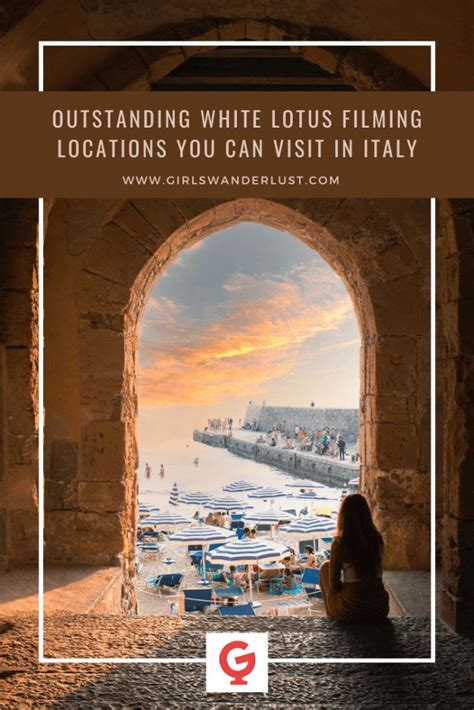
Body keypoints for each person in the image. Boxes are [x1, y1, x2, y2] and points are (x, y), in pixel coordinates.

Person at [319, 493, 389, 624]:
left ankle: (332, 620)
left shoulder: (340, 543)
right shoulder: (377, 540)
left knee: (324, 567)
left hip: (352, 610)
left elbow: (333, 584)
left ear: (343, 516)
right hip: (380, 608)